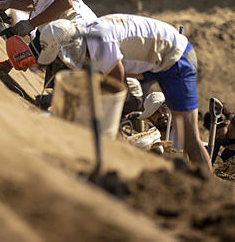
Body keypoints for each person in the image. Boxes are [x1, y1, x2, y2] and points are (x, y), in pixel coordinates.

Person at [36, 14, 212, 168]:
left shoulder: (100, 42)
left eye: (58, 58)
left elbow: (119, 90)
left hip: (176, 57)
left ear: (68, 47)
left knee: (189, 137)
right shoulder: (88, 36)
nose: (59, 63)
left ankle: (210, 187)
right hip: (154, 58)